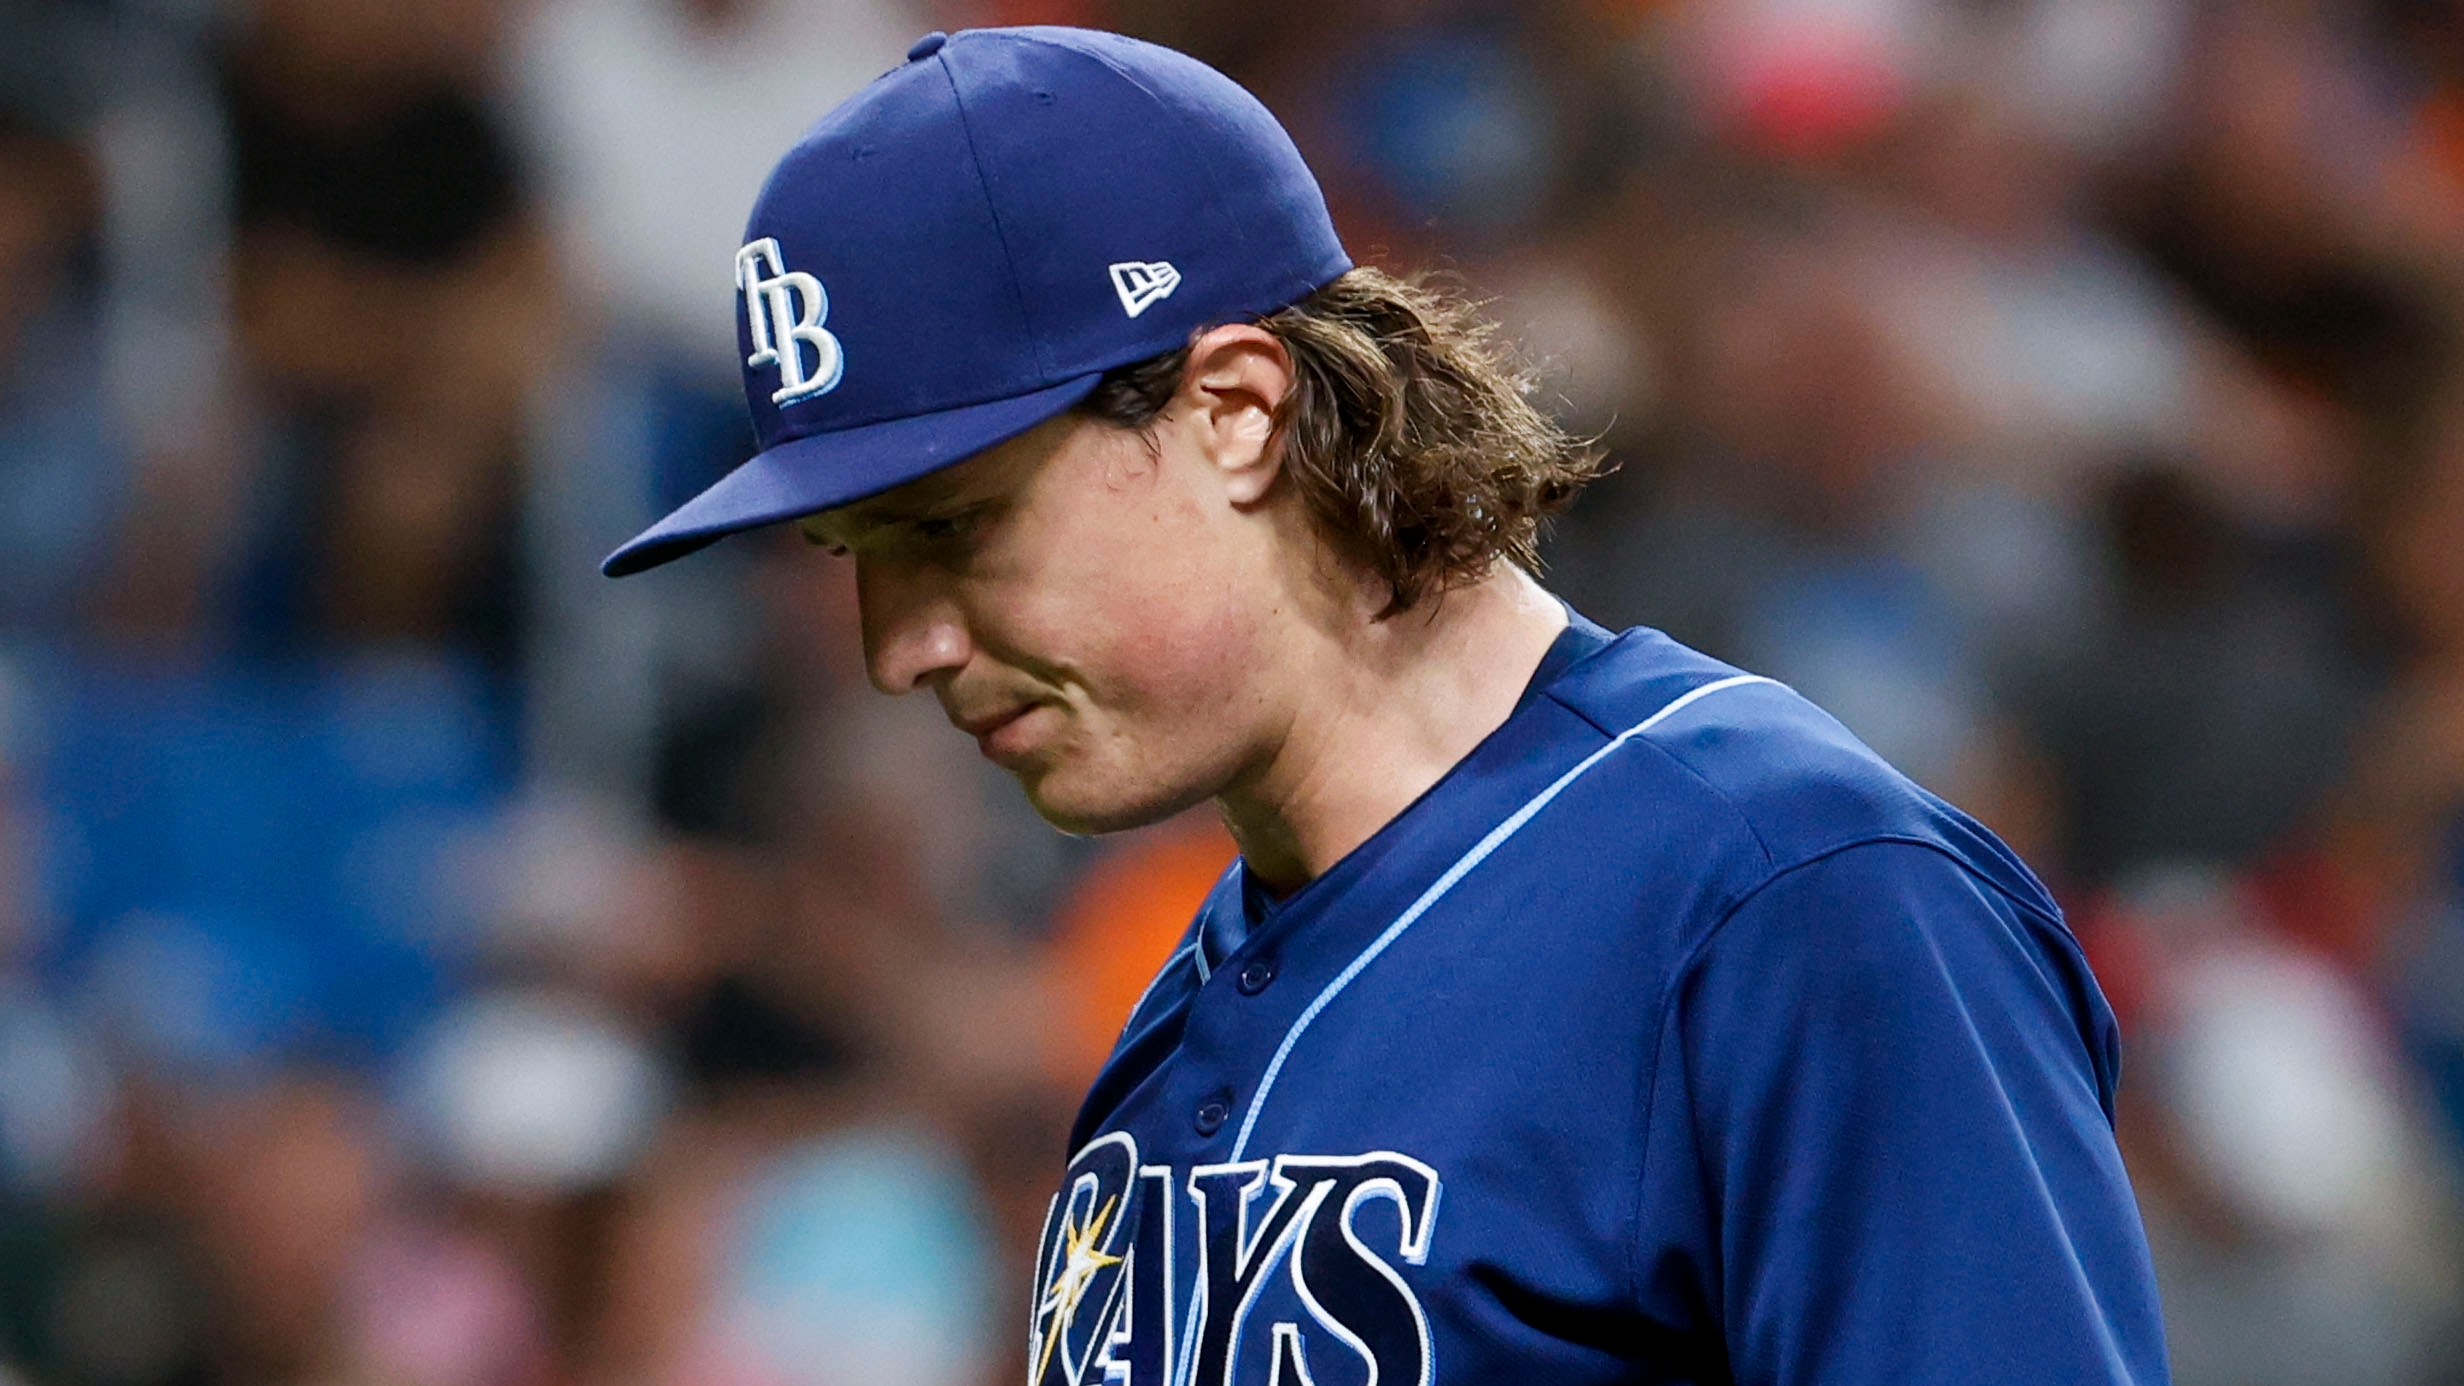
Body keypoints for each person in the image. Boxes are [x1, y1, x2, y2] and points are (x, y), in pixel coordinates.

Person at [602, 25, 2170, 1386]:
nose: (901, 647)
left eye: (953, 528)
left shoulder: (1788, 900)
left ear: (1235, 412)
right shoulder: (1170, 1033)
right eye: (856, 554)